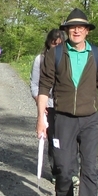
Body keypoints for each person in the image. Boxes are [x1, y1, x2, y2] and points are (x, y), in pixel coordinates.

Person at [36, 9, 98, 196]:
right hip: (62, 120)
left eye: (81, 27)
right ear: (67, 30)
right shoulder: (56, 54)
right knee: (63, 168)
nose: (77, 30)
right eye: (73, 27)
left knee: (90, 168)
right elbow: (44, 87)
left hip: (90, 120)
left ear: (87, 31)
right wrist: (41, 118)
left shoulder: (97, 55)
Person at [31, 29, 65, 178]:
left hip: (66, 104)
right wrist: (40, 102)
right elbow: (34, 85)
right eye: (54, 43)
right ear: (48, 43)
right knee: (52, 138)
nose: (56, 46)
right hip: (48, 104)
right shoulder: (40, 59)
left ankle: (71, 171)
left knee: (68, 138)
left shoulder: (67, 59)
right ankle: (56, 171)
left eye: (60, 44)